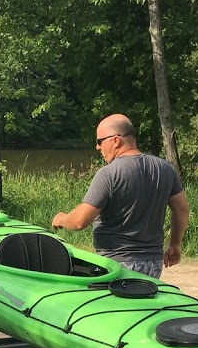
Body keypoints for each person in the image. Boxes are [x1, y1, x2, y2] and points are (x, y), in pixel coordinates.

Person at [52, 114, 189, 278]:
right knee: (142, 303)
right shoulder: (165, 169)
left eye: (99, 141)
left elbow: (80, 221)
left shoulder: (109, 174)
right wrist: (175, 244)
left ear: (115, 140)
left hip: (115, 265)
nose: (98, 147)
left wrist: (61, 218)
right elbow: (181, 209)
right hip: (152, 264)